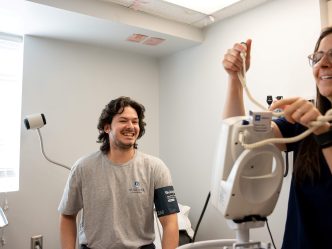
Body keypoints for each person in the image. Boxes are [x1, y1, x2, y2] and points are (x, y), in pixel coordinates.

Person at [222, 27, 332, 249]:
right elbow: (241, 139)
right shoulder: (308, 120)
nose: (323, 64)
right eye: (318, 57)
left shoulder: (315, 125)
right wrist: (236, 78)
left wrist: (323, 134)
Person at [58, 96, 180, 249]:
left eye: (135, 122)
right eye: (123, 121)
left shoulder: (155, 167)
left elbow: (170, 222)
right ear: (107, 127)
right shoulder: (83, 168)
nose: (131, 126)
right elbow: (67, 216)